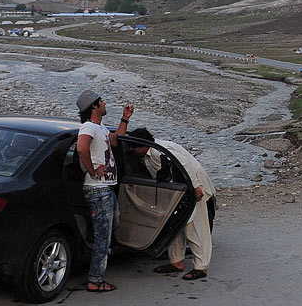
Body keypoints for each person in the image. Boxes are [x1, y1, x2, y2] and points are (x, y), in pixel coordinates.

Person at [127, 127, 215, 280]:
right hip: (178, 190)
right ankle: (177, 262)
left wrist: (195, 187)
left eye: (134, 147)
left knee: (194, 226)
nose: (132, 150)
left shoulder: (158, 151)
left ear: (143, 146)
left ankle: (201, 267)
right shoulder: (150, 152)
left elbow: (185, 165)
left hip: (192, 187)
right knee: (175, 227)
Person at [75, 89, 134, 293]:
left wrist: (125, 118)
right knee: (103, 235)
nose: (104, 103)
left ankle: (94, 259)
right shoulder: (88, 127)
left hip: (106, 189)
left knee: (111, 226)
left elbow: (116, 140)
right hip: (98, 189)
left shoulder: (99, 128)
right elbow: (81, 148)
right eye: (101, 101)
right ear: (94, 106)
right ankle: (95, 280)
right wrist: (92, 170)